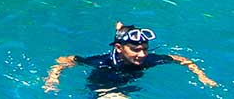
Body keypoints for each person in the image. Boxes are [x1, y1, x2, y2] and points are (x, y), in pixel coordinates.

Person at [43, 22, 217, 95]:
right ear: (118, 48)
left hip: (128, 85)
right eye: (135, 50)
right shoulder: (104, 62)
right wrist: (52, 78)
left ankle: (121, 27)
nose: (142, 55)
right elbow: (65, 59)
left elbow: (181, 59)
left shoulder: (147, 59)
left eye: (145, 49)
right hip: (103, 86)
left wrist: (202, 76)